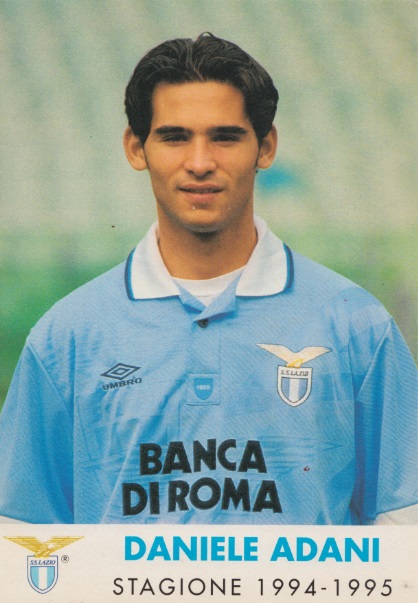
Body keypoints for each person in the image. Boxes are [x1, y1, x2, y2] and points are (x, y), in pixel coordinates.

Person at [0, 33, 416, 525]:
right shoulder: (66, 337)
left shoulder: (357, 326)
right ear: (136, 148)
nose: (200, 163)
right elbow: (23, 535)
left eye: (225, 137)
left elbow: (404, 525)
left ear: (266, 147)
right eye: (175, 137)